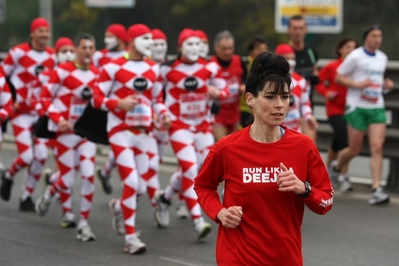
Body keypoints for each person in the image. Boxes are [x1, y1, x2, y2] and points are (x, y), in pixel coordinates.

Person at [194, 52, 333, 266]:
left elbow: (326, 202)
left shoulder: (303, 146)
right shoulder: (227, 148)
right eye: (270, 97)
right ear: (250, 98)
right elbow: (203, 186)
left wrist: (304, 189)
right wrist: (220, 212)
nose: (279, 105)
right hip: (237, 257)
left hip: (285, 258)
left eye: (285, 97)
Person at [92, 23, 171, 254]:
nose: (151, 44)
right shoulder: (112, 67)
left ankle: (118, 207)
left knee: (142, 187)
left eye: (152, 39)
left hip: (144, 134)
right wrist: (118, 103)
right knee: (132, 183)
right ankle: (130, 238)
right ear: (131, 40)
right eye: (145, 39)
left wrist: (164, 115)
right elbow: (96, 99)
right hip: (119, 132)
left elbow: (157, 101)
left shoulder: (153, 69)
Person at [153, 28, 229, 240]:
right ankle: (197, 220)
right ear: (179, 47)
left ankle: (166, 198)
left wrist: (217, 94)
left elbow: (225, 90)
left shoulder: (210, 67)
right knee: (189, 168)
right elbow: (156, 98)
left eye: (198, 44)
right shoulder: (166, 70)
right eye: (189, 44)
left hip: (203, 127)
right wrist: (163, 114)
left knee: (202, 168)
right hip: (179, 127)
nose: (195, 48)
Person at [35, 33, 98, 241]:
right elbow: (44, 97)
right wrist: (58, 118)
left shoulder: (98, 74)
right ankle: (51, 191)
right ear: (77, 50)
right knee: (67, 180)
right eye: (83, 48)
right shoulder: (62, 71)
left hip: (85, 135)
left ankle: (83, 224)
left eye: (91, 48)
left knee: (89, 175)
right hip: (64, 134)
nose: (87, 51)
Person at [332, 25, 394, 204]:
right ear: (367, 38)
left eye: (380, 36)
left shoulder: (382, 58)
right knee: (355, 149)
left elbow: (376, 80)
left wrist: (385, 85)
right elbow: (338, 76)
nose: (378, 39)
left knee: (377, 146)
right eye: (374, 36)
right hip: (357, 106)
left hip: (376, 106)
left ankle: (376, 189)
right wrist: (356, 84)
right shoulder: (356, 55)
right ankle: (336, 167)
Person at [0, 17, 56, 211]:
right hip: (20, 113)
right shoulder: (17, 53)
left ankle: (26, 196)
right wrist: (9, 99)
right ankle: (8, 176)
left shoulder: (53, 56)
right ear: (32, 33)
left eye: (47, 31)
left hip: (41, 114)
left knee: (41, 156)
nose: (44, 35)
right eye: (40, 31)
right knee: (26, 157)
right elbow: (2, 75)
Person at [316, 37, 358, 191]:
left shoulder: (357, 67)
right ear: (340, 49)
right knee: (344, 138)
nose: (351, 51)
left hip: (352, 109)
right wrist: (326, 92)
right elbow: (318, 81)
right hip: (334, 109)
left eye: (354, 48)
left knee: (338, 142)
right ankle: (344, 176)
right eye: (347, 47)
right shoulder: (333, 66)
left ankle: (327, 172)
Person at [93, 23, 129, 195]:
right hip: (105, 105)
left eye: (110, 36)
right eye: (105, 35)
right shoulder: (99, 55)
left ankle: (106, 171)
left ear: (121, 38)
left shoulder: (131, 55)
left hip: (127, 108)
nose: (106, 39)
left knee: (123, 142)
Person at [37, 37, 76, 187]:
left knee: (71, 162)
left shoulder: (80, 74)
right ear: (56, 53)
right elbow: (39, 97)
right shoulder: (46, 75)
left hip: (70, 124)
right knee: (47, 156)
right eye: (64, 51)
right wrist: (45, 113)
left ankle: (54, 180)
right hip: (50, 122)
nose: (68, 55)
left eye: (71, 51)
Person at [287, 14, 319, 143]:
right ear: (289, 30)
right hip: (287, 108)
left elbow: (316, 75)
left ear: (306, 29)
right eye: (294, 28)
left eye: (300, 28)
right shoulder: (285, 52)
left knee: (310, 146)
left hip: (306, 104)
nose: (298, 32)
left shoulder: (312, 52)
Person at [209, 30, 245, 142]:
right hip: (218, 115)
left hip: (234, 114)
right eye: (224, 49)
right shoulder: (211, 64)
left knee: (233, 149)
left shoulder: (239, 61)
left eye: (230, 48)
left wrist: (244, 86)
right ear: (216, 48)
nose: (227, 52)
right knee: (222, 146)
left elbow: (246, 79)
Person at [274, 44, 318, 133]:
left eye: (293, 59)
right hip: (275, 129)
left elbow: (305, 102)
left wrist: (308, 116)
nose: (291, 62)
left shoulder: (301, 80)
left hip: (295, 130)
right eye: (287, 58)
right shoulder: (270, 81)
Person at [239, 34, 268, 128]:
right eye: (259, 49)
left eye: (264, 49)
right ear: (251, 51)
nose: (262, 52)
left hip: (262, 106)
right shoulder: (243, 63)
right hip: (245, 107)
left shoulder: (268, 65)